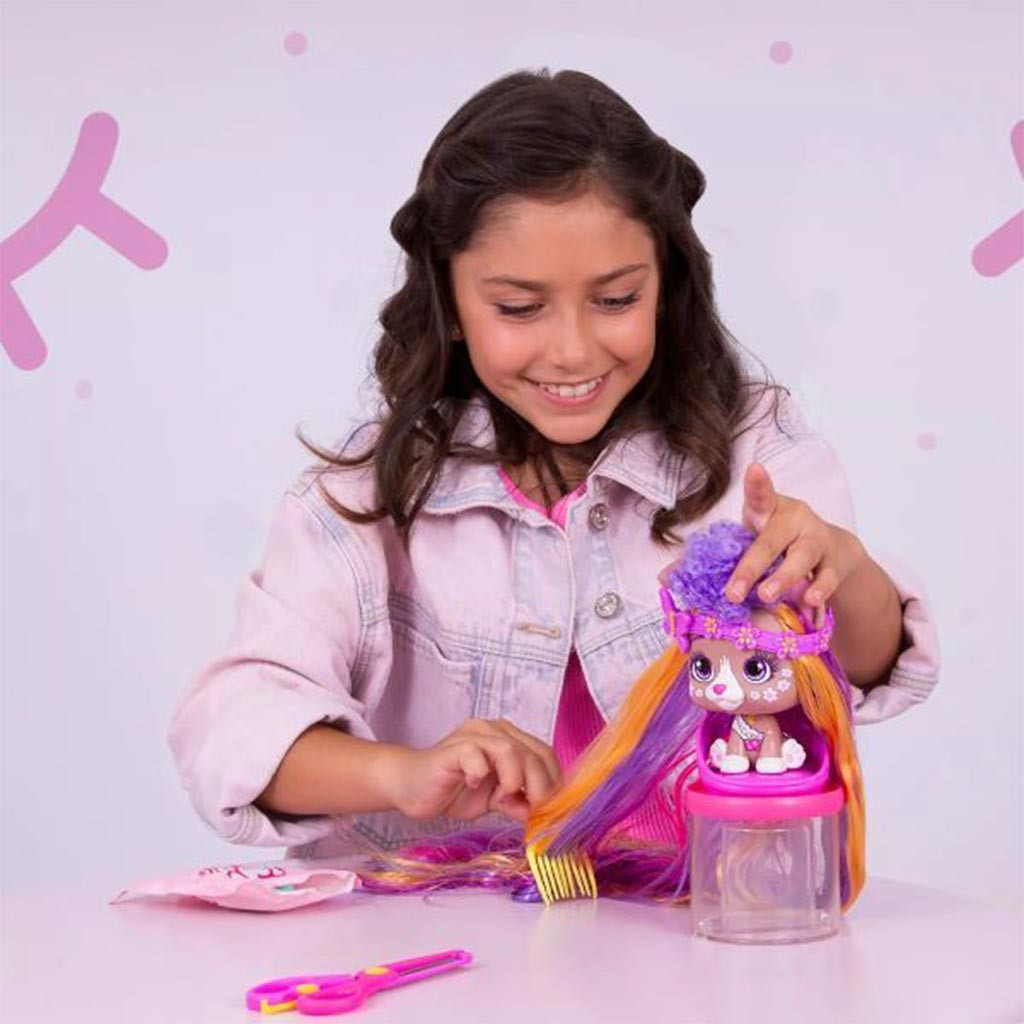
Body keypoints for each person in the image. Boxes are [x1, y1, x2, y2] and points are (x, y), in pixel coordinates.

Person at [167, 68, 940, 863]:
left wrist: (844, 567)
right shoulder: (364, 503)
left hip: (698, 917)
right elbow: (231, 728)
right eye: (519, 308)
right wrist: (401, 774)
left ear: (666, 285)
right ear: (448, 302)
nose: (572, 350)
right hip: (432, 925)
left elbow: (866, 663)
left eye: (616, 299)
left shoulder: (755, 455)